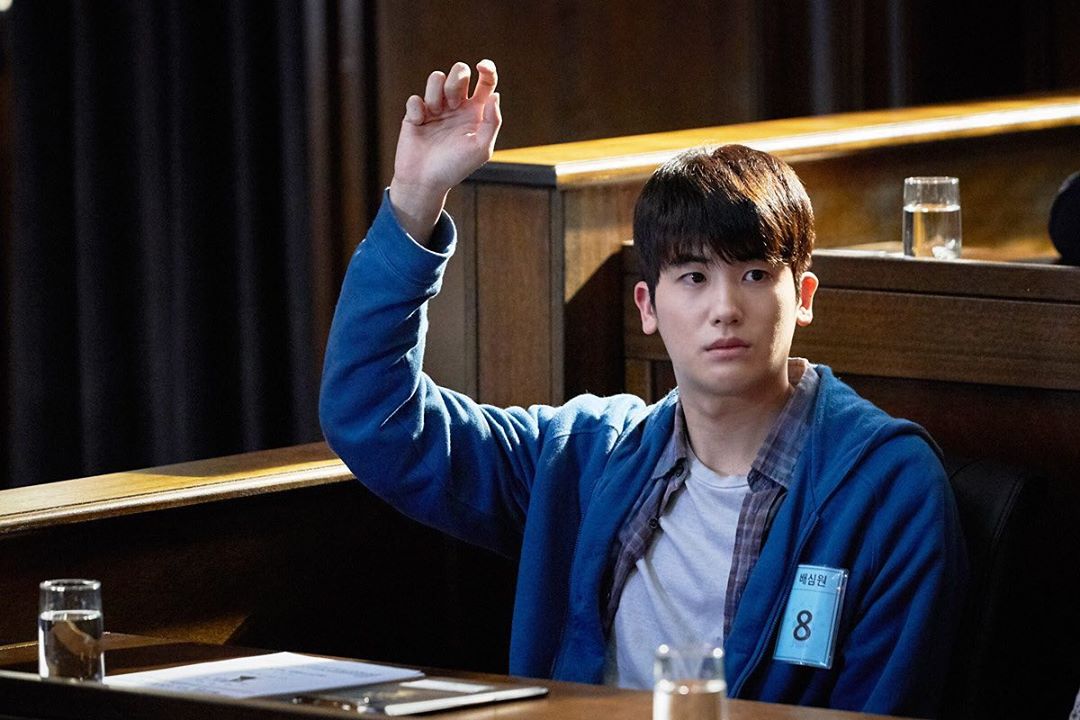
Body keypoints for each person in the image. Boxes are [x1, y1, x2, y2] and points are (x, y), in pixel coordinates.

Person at [319, 60, 967, 717]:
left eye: (754, 274)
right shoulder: (585, 455)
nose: (724, 309)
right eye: (693, 277)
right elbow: (376, 418)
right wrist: (416, 196)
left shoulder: (888, 486)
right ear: (647, 306)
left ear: (802, 296)